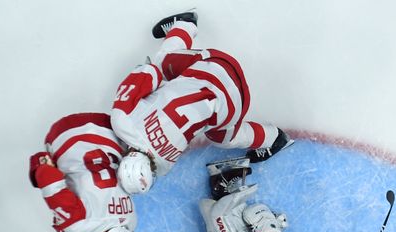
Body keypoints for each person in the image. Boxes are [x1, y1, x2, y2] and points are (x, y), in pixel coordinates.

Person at [110, 11, 293, 196]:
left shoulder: (165, 165)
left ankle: (275, 138)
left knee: (225, 138)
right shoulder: (121, 121)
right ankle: (184, 26)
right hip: (219, 65)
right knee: (161, 63)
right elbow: (148, 72)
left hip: (235, 106)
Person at [28, 113, 144, 232]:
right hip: (64, 133)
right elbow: (48, 176)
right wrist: (39, 165)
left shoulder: (131, 217)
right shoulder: (79, 226)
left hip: (108, 127)